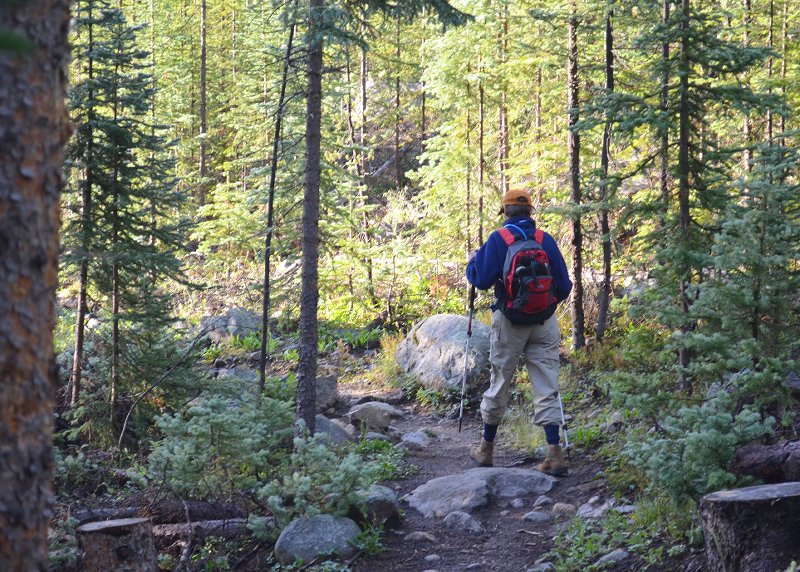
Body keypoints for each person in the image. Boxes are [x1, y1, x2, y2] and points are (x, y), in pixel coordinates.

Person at [465, 188, 573, 475]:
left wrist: (472, 262)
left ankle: (486, 450)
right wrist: (543, 307)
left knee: (499, 382)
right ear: (530, 213)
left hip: (510, 323)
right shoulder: (544, 240)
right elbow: (564, 285)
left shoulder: (499, 239)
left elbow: (480, 279)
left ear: (505, 212)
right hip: (544, 323)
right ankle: (554, 453)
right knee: (547, 386)